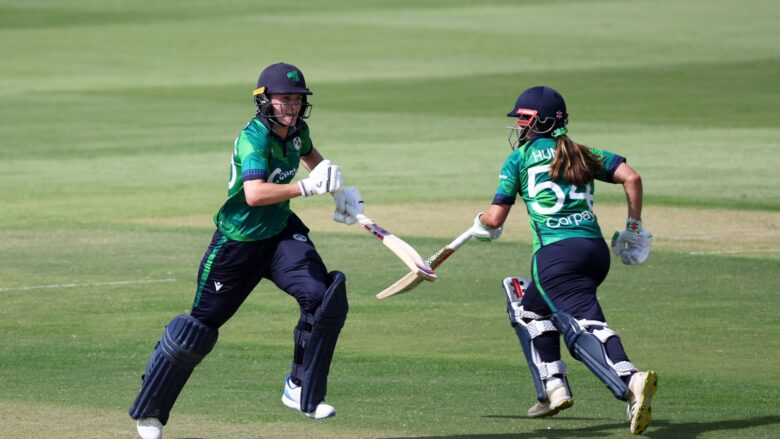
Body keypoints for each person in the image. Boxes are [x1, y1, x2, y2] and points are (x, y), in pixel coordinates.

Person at [128, 62, 364, 439]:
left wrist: (340, 190)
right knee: (199, 329)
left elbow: (310, 156)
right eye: (284, 99)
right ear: (264, 101)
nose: (292, 106)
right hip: (238, 243)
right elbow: (254, 195)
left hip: (280, 234)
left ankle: (300, 387)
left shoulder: (298, 130)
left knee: (322, 297)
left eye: (298, 100)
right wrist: (307, 189)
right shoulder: (252, 139)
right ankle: (151, 410)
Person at [468, 86, 657, 435]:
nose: (519, 126)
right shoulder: (583, 152)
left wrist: (481, 223)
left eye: (524, 119)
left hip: (555, 256)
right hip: (594, 252)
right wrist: (633, 228)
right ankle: (553, 388)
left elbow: (494, 219)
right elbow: (632, 177)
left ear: (541, 121)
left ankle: (631, 380)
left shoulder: (519, 159)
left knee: (584, 324)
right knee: (528, 307)